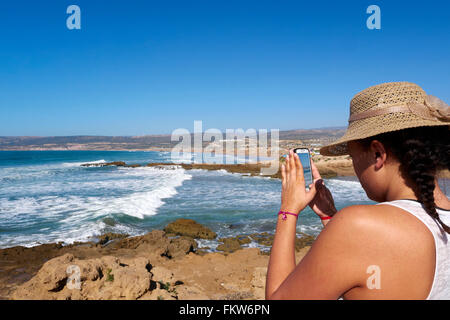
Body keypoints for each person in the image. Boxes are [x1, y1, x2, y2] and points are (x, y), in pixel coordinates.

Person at [266, 82, 450, 299]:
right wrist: (330, 217)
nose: (354, 165)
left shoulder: (358, 226)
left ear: (377, 154)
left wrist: (288, 210)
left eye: (353, 157)